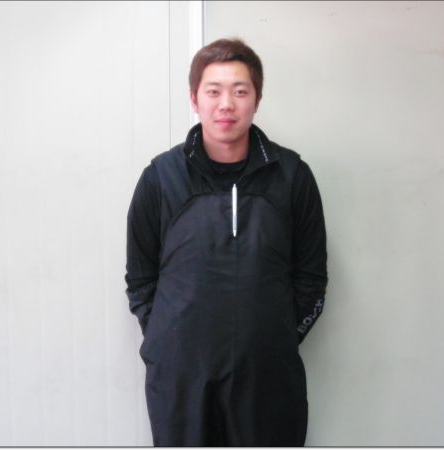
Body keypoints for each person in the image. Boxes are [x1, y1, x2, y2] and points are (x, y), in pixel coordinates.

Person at [125, 37, 328, 446]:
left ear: (257, 99)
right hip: (181, 381)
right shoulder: (161, 178)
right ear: (194, 99)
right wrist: (168, 337)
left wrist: (276, 336)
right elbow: (140, 279)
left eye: (240, 91)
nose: (226, 104)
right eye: (213, 91)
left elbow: (311, 278)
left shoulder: (292, 177)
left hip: (268, 379)